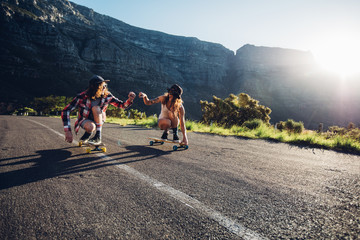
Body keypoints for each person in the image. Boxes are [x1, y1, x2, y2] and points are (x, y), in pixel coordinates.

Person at [61, 75, 136, 144]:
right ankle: (88, 133)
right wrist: (67, 131)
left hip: (100, 117)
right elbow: (66, 110)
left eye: (105, 85)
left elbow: (121, 105)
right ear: (94, 87)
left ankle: (98, 136)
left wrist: (129, 100)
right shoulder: (81, 97)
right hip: (86, 119)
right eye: (102, 86)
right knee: (91, 127)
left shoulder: (107, 95)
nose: (104, 87)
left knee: (96, 108)